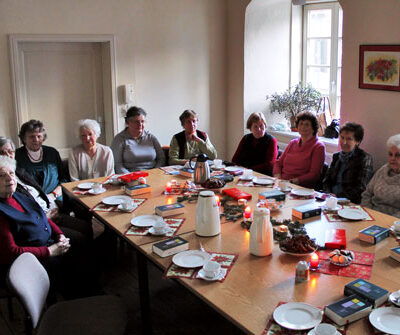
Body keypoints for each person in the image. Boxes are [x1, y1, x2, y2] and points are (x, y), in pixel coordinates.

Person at [0, 136, 93, 240]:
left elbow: (38, 193)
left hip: (49, 210)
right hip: (39, 222)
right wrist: (45, 217)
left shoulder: (20, 171)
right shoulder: (6, 183)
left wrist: (51, 205)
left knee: (86, 227)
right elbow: (20, 212)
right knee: (79, 238)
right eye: (2, 153)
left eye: (10, 151)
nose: (7, 156)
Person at [15, 120, 68, 200]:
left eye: (39, 136)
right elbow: (16, 185)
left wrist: (53, 195)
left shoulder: (52, 153)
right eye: (32, 136)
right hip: (30, 201)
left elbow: (64, 179)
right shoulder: (17, 155)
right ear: (24, 138)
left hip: (55, 198)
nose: (36, 140)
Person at [323, 122, 373, 204]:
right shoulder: (336, 156)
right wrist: (328, 194)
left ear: (357, 141)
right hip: (330, 199)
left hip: (349, 201)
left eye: (349, 139)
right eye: (342, 137)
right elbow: (326, 180)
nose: (344, 142)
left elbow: (360, 188)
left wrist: (337, 197)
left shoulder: (364, 158)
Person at [273, 111, 325, 188]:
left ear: (313, 128)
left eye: (307, 124)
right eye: (301, 124)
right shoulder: (293, 143)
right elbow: (278, 163)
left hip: (300, 187)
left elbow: (314, 174)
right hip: (282, 183)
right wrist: (278, 177)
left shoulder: (318, 147)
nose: (303, 127)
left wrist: (293, 181)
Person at [111, 106, 165, 173]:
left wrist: (155, 172)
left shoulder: (151, 137)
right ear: (128, 122)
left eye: (142, 121)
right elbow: (117, 165)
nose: (140, 124)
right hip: (131, 176)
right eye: (136, 122)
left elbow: (161, 159)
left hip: (153, 174)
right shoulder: (119, 139)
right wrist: (131, 177)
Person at [361, 134, 400, 218]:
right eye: (390, 154)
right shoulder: (383, 170)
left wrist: (387, 221)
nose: (393, 158)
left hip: (394, 223)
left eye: (397, 155)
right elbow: (367, 194)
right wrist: (368, 213)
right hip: (371, 216)